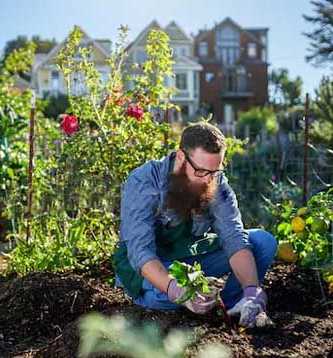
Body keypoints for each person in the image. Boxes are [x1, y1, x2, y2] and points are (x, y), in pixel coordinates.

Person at [114, 122, 277, 328]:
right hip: (151, 264)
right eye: (201, 171)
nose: (208, 179)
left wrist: (252, 291)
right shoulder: (145, 181)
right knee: (165, 297)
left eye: (215, 171)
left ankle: (235, 305)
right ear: (181, 157)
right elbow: (140, 252)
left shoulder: (215, 182)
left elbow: (233, 237)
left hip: (191, 257)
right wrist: (176, 290)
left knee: (263, 242)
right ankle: (165, 300)